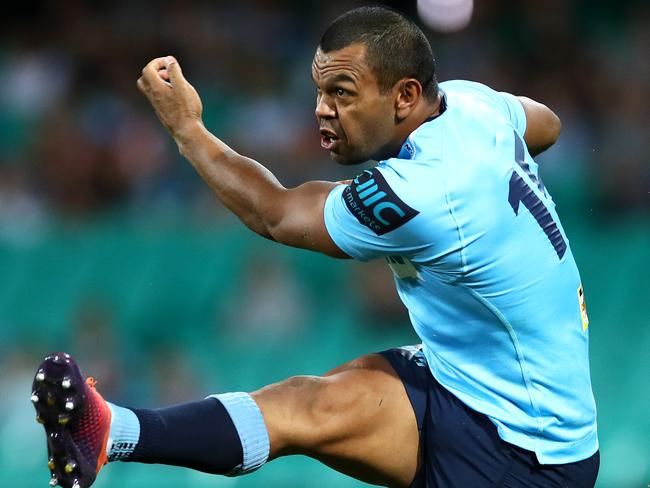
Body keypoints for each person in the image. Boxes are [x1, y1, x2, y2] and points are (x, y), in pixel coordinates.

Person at [31, 6, 599, 488]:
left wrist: (188, 129)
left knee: (309, 410)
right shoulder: (470, 104)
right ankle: (105, 432)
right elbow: (545, 123)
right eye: (320, 90)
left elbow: (274, 213)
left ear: (404, 96)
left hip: (525, 449)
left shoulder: (425, 192)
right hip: (473, 382)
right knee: (308, 404)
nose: (323, 109)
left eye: (342, 93)